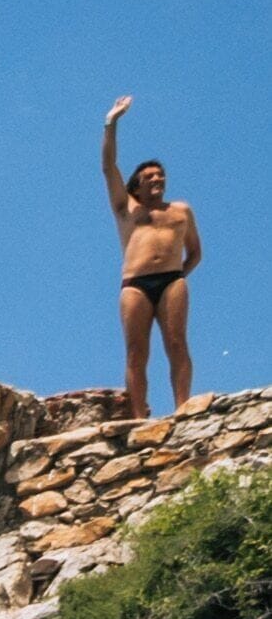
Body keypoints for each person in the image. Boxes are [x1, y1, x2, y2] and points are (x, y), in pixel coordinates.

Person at [103, 99, 201, 421]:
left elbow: (195, 251)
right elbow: (108, 167)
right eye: (149, 177)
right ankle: (137, 415)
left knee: (177, 343)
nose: (157, 179)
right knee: (136, 352)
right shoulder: (127, 209)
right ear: (137, 185)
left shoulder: (181, 211)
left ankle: (183, 409)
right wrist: (112, 122)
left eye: (160, 175)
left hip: (172, 280)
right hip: (135, 284)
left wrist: (178, 274)